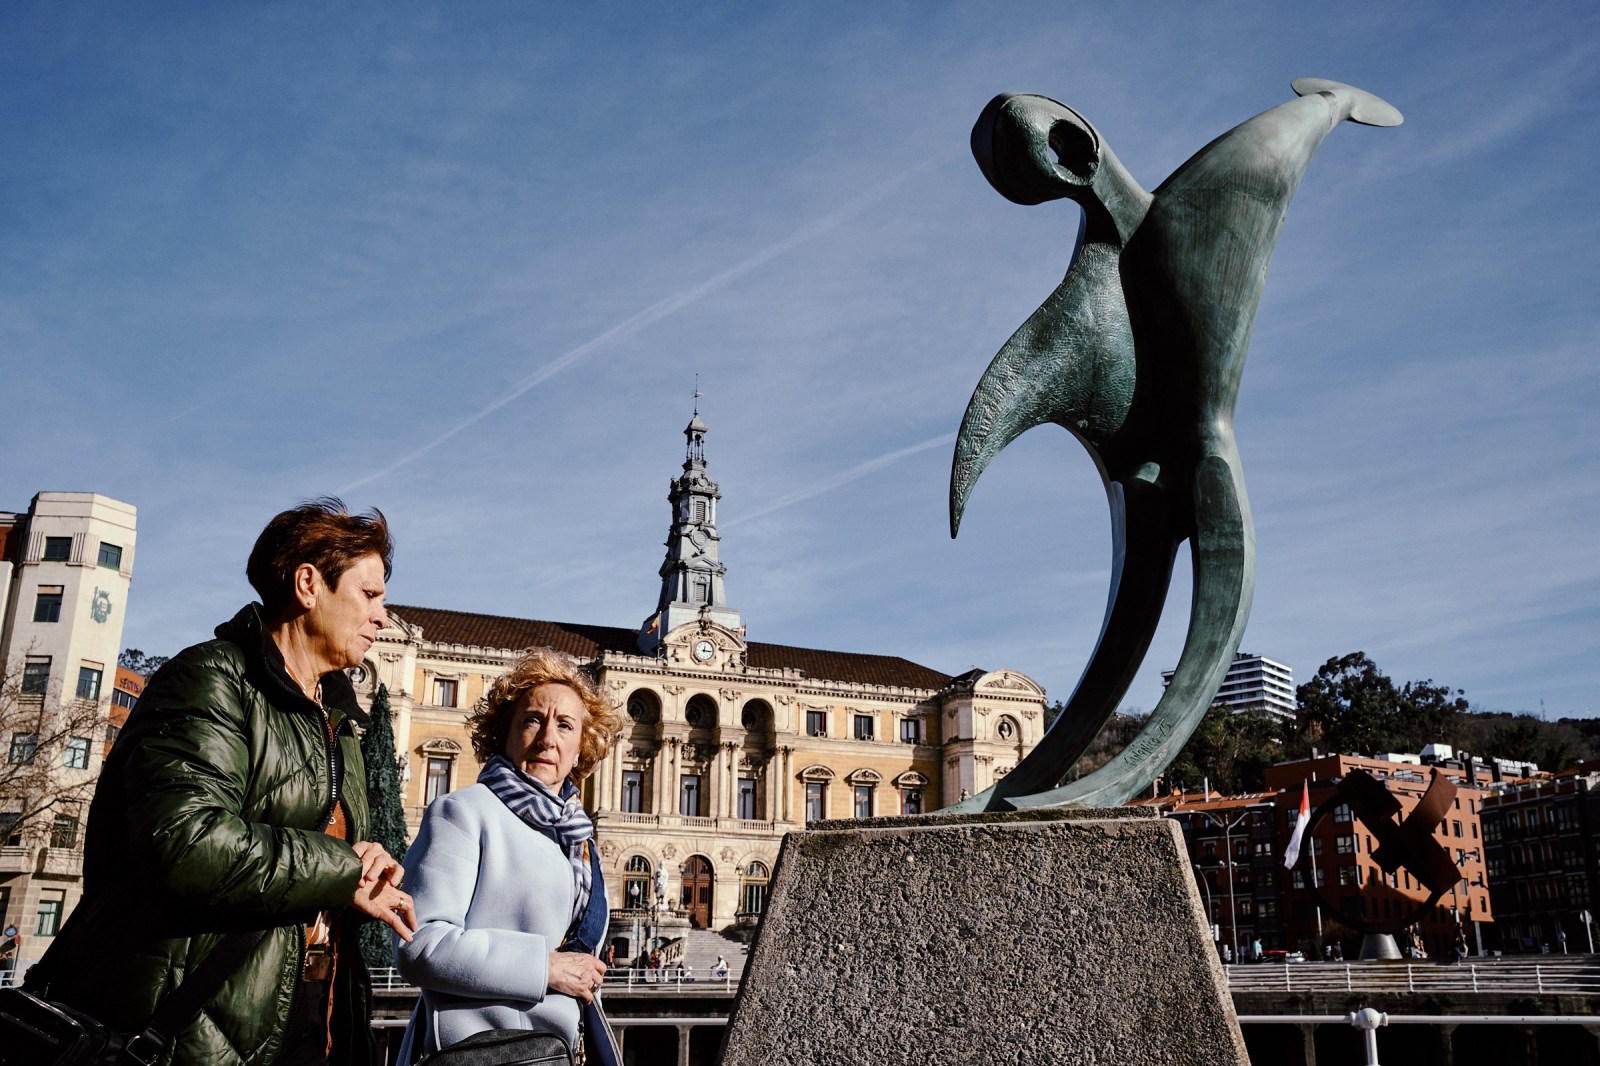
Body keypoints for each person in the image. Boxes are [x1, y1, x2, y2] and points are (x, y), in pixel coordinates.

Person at [29, 499, 417, 1065]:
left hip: (313, 1015)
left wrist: (361, 882)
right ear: (308, 585)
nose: (383, 615)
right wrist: (341, 868)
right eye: (370, 594)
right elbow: (183, 843)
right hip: (189, 1030)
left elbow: (316, 870)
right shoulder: (210, 679)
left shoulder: (339, 724)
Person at [395, 648, 623, 1062]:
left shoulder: (578, 836)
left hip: (557, 1052)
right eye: (533, 719)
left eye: (565, 726)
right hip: (487, 1050)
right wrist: (546, 968)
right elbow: (420, 945)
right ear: (506, 731)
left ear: (581, 749)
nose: (547, 739)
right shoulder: (463, 812)